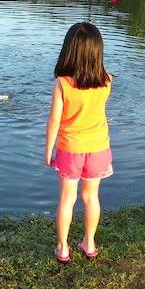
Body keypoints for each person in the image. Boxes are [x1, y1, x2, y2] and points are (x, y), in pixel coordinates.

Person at [45, 22, 113, 262]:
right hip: (98, 148)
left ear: (68, 50)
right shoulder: (106, 80)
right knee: (91, 197)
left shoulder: (62, 84)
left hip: (70, 148)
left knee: (67, 199)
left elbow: (54, 120)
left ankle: (63, 248)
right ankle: (89, 243)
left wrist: (48, 149)